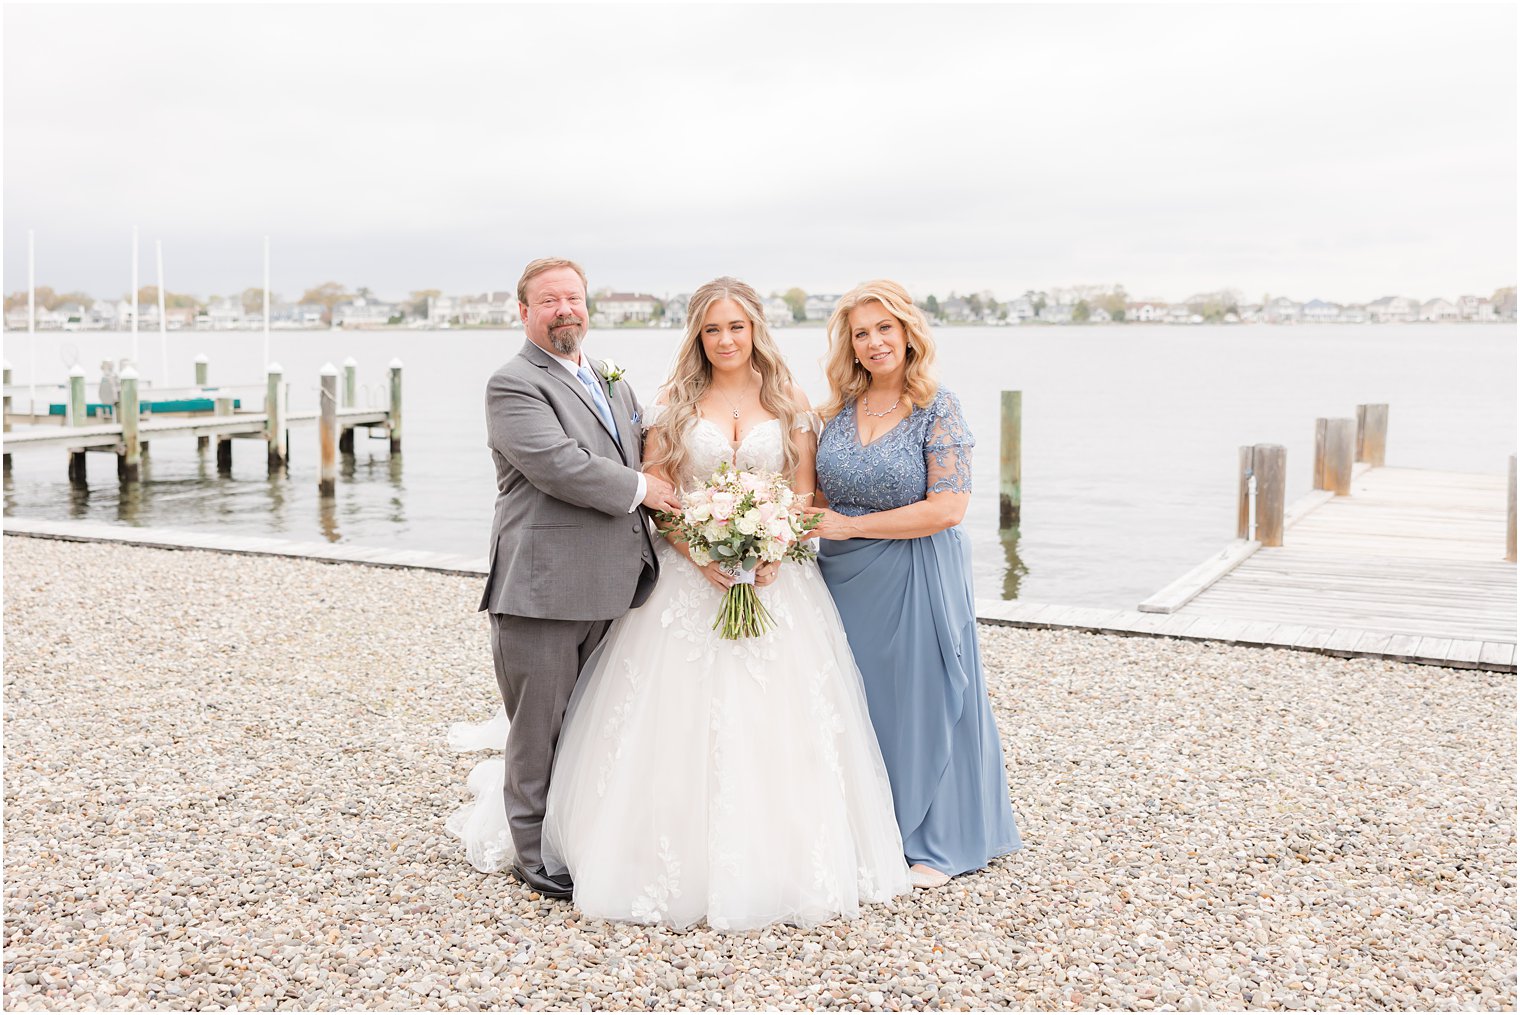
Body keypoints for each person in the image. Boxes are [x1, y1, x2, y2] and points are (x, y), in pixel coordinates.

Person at [449, 276, 909, 929]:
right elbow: (658, 494)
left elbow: (805, 496)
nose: (725, 339)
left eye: (736, 327)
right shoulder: (670, 405)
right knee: (665, 724)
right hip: (690, 579)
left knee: (785, 724)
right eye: (712, 328)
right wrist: (701, 552)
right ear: (698, 335)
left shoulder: (791, 401)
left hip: (778, 586)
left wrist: (775, 547)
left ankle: (782, 859)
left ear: (755, 331)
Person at [473, 256, 682, 899]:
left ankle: (581, 836)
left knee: (592, 723)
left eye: (573, 298)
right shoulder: (512, 383)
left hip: (617, 582)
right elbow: (558, 465)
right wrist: (647, 487)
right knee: (538, 726)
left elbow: (648, 443)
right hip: (543, 586)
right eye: (549, 300)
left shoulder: (610, 380)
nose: (565, 309)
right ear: (524, 311)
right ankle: (534, 855)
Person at [810, 279, 1021, 890]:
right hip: (842, 577)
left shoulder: (938, 405)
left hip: (916, 568)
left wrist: (851, 524)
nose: (874, 342)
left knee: (923, 695)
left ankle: (936, 836)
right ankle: (868, 827)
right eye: (861, 333)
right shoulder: (836, 413)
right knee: (856, 698)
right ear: (848, 346)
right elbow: (820, 494)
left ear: (908, 334)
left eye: (885, 329)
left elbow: (949, 508)